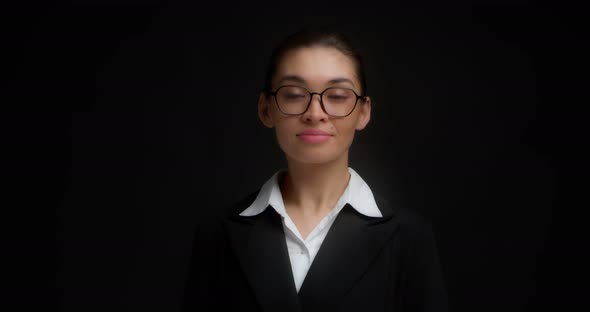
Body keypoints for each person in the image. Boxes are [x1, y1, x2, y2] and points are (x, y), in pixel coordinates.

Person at [181, 28, 448, 312]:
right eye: (295, 94)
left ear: (363, 112)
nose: (315, 112)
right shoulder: (217, 234)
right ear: (265, 109)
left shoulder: (408, 237)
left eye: (337, 96)